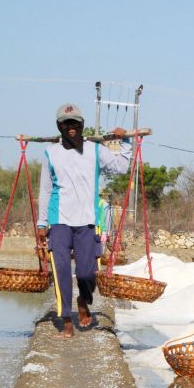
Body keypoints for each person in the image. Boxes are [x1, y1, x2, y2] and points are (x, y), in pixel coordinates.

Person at [35, 104, 132, 338]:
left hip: (87, 220)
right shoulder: (51, 154)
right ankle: (67, 319)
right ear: (60, 126)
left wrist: (125, 142)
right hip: (59, 221)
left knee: (87, 273)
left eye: (75, 124)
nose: (71, 128)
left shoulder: (95, 150)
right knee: (60, 270)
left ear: (82, 126)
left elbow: (121, 167)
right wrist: (41, 223)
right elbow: (46, 191)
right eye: (66, 124)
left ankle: (83, 299)